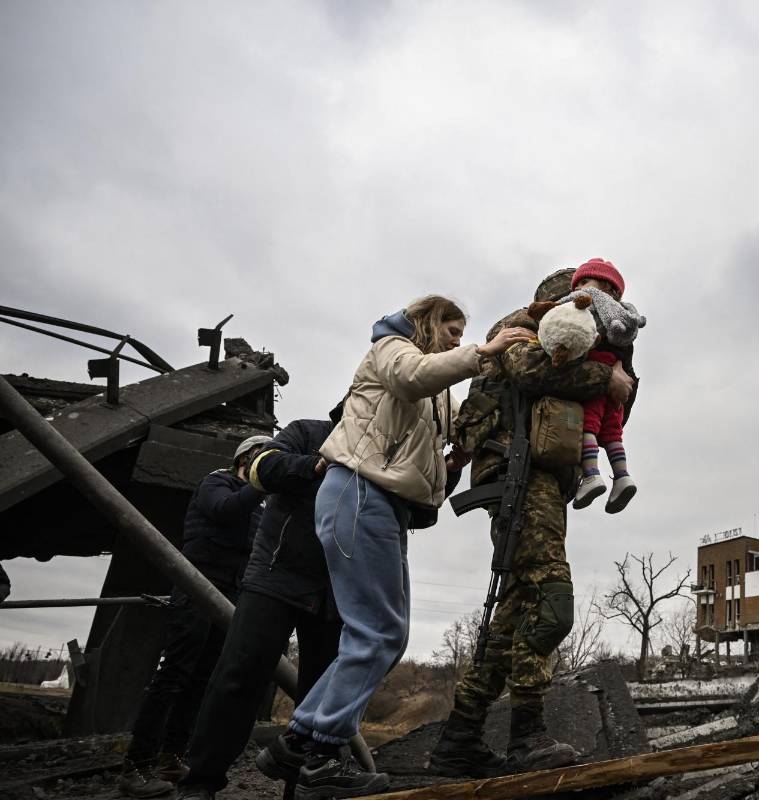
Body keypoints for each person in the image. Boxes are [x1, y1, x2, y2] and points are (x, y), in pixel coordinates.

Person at [258, 296, 531, 800]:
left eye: (462, 332)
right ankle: (316, 756)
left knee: (387, 633)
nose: (457, 338)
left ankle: (298, 743)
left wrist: (463, 451)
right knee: (377, 631)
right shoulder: (390, 348)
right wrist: (483, 350)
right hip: (358, 493)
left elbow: (441, 438)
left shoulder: (436, 394)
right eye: (451, 329)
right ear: (429, 322)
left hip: (384, 505)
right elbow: (412, 376)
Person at [428, 268, 635, 778]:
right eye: (592, 294)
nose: (598, 304)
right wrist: (603, 376)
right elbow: (528, 372)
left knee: (512, 619)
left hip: (548, 482)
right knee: (552, 603)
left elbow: (616, 406)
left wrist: (615, 372)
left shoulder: (598, 342)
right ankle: (527, 735)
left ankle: (459, 738)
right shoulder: (522, 323)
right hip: (515, 471)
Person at [175, 412, 344, 800]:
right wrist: (320, 462)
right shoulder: (308, 432)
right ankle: (201, 781)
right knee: (238, 677)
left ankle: (303, 789)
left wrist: (448, 470)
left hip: (338, 587)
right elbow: (264, 467)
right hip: (276, 574)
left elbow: (419, 509)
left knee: (322, 695)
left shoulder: (385, 448)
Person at [119, 435, 270, 799]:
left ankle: (171, 757)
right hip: (196, 586)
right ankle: (136, 767)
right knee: (175, 674)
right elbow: (224, 511)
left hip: (228, 596)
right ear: (246, 459)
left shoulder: (259, 508)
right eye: (264, 459)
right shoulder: (216, 482)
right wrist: (263, 483)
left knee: (202, 680)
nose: (270, 468)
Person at [567, 258, 646, 513]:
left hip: (596, 381)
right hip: (617, 387)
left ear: (606, 288)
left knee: (586, 427)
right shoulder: (627, 317)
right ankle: (622, 477)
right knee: (612, 433)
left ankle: (591, 474)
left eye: (585, 281)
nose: (577, 289)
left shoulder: (587, 306)